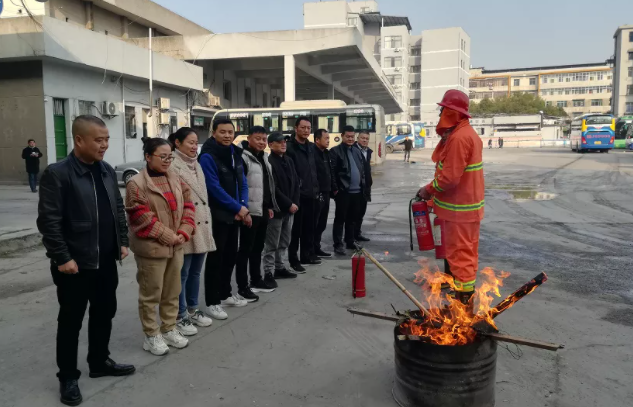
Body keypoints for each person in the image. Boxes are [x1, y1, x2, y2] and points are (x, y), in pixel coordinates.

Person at [37, 115, 135, 406]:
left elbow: (117, 207)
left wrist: (123, 241)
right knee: (70, 321)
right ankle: (68, 376)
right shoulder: (58, 173)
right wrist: (62, 257)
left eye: (106, 139)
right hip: (75, 264)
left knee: (105, 312)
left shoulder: (104, 170)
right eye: (98, 140)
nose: (104, 145)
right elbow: (49, 221)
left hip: (105, 259)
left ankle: (99, 361)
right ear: (79, 140)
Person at [126, 138, 196, 355]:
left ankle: (169, 328)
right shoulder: (136, 184)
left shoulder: (175, 178)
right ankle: (151, 335)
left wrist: (184, 232)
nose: (167, 161)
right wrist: (170, 237)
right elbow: (141, 218)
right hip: (152, 249)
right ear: (148, 157)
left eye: (170, 157)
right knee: (151, 294)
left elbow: (188, 205)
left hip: (176, 245)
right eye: (162, 156)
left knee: (172, 291)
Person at [417, 89, 484, 311]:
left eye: (443, 110)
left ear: (452, 112)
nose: (440, 115)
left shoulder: (459, 138)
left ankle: (463, 309)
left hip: (460, 213)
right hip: (463, 211)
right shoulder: (464, 134)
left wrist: (428, 190)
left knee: (460, 259)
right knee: (465, 257)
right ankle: (462, 302)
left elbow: (449, 178)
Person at [199, 119, 249, 320]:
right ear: (214, 133)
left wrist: (242, 206)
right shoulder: (208, 156)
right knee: (215, 259)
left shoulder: (235, 153)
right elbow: (213, 188)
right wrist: (238, 207)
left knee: (230, 256)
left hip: (236, 214)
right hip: (218, 215)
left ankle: (225, 293)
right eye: (223, 132)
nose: (227, 135)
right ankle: (212, 302)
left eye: (230, 132)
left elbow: (242, 181)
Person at [168, 128, 215, 337]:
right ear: (177, 143)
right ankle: (180, 314)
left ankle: (193, 309)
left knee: (196, 271)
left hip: (202, 223)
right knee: (182, 273)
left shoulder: (197, 164)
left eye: (196, 142)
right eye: (190, 142)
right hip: (185, 225)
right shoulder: (172, 165)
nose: (194, 146)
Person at [237, 126, 279, 298]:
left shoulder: (264, 157)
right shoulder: (243, 157)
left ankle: (256, 279)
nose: (261, 142)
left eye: (264, 139)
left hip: (262, 210)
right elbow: (241, 185)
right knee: (245, 249)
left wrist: (269, 206)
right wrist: (244, 210)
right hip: (249, 211)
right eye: (258, 138)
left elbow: (267, 186)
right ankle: (242, 286)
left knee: (258, 247)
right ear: (249, 138)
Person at [286, 116, 321, 272]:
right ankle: (294, 260)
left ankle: (307, 256)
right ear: (296, 128)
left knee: (309, 228)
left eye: (308, 128)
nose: (306, 130)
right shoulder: (289, 147)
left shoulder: (312, 147)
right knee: (295, 231)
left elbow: (314, 170)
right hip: (298, 196)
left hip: (312, 194)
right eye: (303, 128)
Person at [264, 132, 301, 280]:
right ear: (271, 145)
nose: (283, 144)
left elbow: (296, 183)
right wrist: (288, 204)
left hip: (290, 209)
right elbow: (274, 188)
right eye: (279, 142)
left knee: (285, 240)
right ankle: (268, 271)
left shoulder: (289, 160)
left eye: (284, 141)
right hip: (277, 209)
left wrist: (295, 203)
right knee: (272, 242)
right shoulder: (270, 162)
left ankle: (280, 267)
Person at [330, 126, 366, 255]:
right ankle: (338, 244)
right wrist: (335, 189)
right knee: (340, 219)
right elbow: (332, 172)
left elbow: (361, 170)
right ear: (342, 136)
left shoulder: (356, 151)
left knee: (352, 218)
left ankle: (350, 241)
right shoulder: (335, 151)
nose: (350, 139)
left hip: (357, 192)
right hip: (343, 191)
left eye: (352, 136)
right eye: (348, 136)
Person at [312, 129, 338, 258]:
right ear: (317, 139)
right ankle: (311, 250)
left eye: (329, 138)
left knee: (322, 223)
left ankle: (317, 247)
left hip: (327, 192)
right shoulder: (312, 153)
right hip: (317, 193)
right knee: (314, 223)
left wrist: (334, 186)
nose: (328, 140)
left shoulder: (326, 153)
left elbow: (330, 171)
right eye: (326, 138)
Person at [355, 131, 373, 242]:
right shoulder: (353, 150)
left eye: (367, 138)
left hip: (365, 186)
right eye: (362, 138)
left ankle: (357, 233)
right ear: (358, 138)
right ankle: (350, 236)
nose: (365, 140)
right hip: (356, 186)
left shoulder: (368, 152)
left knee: (362, 211)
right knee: (354, 212)